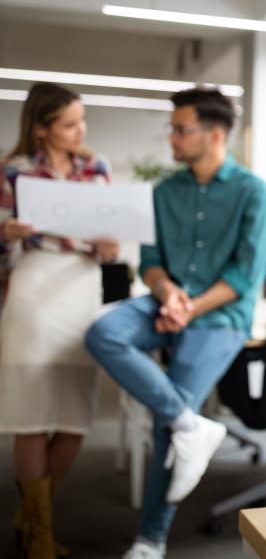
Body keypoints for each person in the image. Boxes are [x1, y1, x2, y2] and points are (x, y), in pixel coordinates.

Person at [84, 88, 266, 559]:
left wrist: (189, 307)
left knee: (166, 422)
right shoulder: (165, 192)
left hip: (220, 315)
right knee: (104, 333)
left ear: (213, 135)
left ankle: (151, 539)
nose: (171, 136)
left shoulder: (253, 192)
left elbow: (243, 276)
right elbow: (150, 263)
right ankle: (190, 423)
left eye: (180, 128)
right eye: (171, 127)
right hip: (165, 301)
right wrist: (169, 293)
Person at [0, 82, 119, 559]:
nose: (80, 131)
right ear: (42, 128)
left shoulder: (98, 169)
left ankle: (32, 512)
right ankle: (41, 532)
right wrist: (5, 230)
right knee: (32, 414)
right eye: (69, 123)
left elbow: (110, 235)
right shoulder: (15, 171)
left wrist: (111, 246)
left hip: (81, 288)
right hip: (33, 285)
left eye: (82, 120)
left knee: (73, 417)